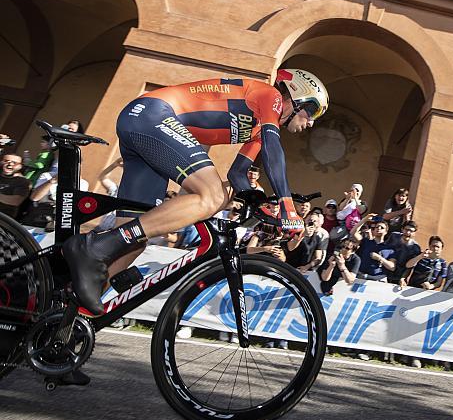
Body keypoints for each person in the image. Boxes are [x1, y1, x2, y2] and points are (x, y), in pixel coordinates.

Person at [62, 69, 329, 315]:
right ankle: (95, 245)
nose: (311, 123)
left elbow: (237, 175)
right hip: (153, 114)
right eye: (312, 113)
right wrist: (287, 206)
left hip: (148, 130)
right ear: (297, 98)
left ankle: (65, 317)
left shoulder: (259, 130)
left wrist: (262, 208)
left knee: (135, 243)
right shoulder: (270, 97)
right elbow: (274, 149)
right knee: (210, 194)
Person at [350, 213, 396, 282]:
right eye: (377, 227)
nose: (378, 228)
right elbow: (353, 232)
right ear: (373, 230)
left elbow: (392, 267)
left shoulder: (390, 249)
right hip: (360, 277)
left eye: (382, 228)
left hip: (378, 280)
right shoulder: (365, 242)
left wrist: (379, 258)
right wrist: (365, 219)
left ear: (386, 232)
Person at [0, 154, 31, 219]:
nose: (10, 164)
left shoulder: (23, 181)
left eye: (14, 163)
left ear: (20, 166)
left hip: (3, 219)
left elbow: (16, 201)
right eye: (6, 161)